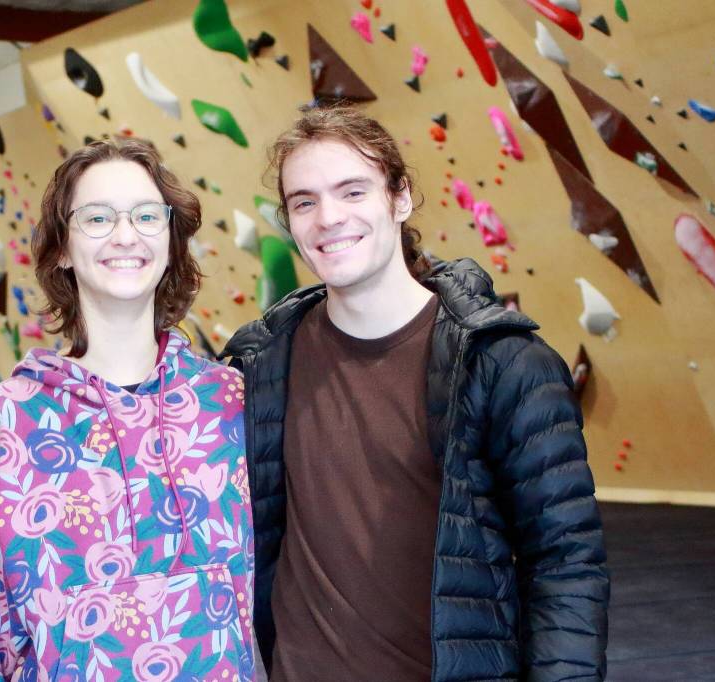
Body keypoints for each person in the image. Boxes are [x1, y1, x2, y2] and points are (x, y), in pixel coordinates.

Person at [223, 106, 610, 681]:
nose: (329, 217)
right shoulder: (260, 365)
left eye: (353, 191)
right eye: (304, 202)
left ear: (400, 197)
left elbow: (565, 563)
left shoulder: (504, 363)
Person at [0, 140, 255, 682]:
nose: (125, 235)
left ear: (170, 241)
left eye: (146, 216)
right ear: (62, 247)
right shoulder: (4, 421)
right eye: (98, 217)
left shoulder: (229, 401)